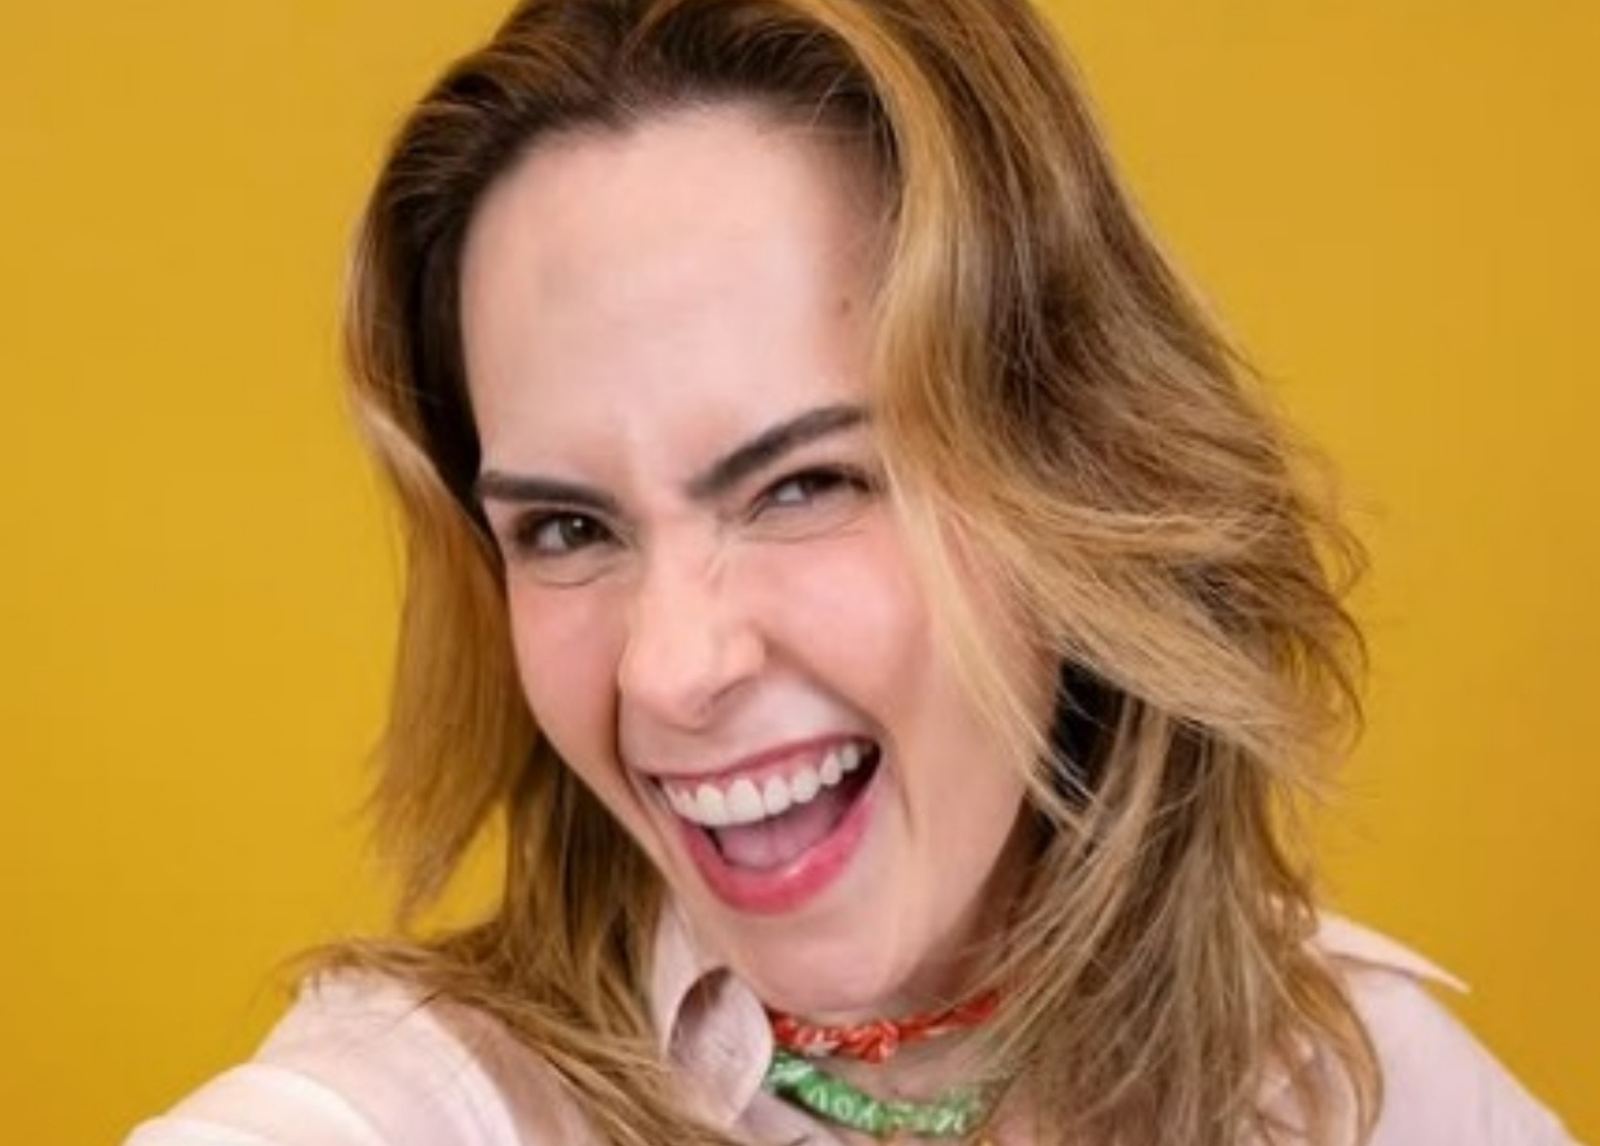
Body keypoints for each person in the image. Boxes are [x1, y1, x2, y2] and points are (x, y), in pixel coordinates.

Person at [126, 1, 1581, 1144]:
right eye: (569, 528)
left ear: (1077, 473)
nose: (670, 670)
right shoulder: (423, 1102)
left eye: (805, 483)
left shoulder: (1370, 1092)